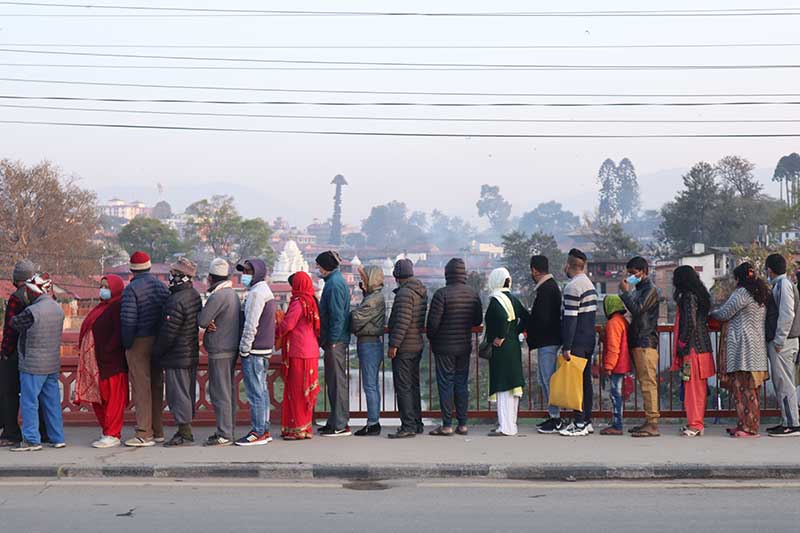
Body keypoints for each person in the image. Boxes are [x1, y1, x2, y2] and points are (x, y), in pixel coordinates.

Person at [710, 262, 770, 438]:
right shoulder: (761, 293)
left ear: (739, 278)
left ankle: (749, 428)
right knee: (750, 391)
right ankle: (745, 425)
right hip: (756, 348)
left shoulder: (742, 293)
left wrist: (710, 314)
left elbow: (724, 313)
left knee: (743, 390)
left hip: (743, 350)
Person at [426, 258, 482, 436]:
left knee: (445, 384)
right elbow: (477, 320)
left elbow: (432, 325)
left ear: (447, 274)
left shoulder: (441, 294)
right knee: (461, 384)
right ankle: (463, 424)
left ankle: (447, 424)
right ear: (463, 274)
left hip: (443, 347)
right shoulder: (472, 294)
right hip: (463, 346)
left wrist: (433, 337)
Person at [10, 273, 65, 452]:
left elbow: (14, 323)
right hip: (52, 363)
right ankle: (57, 437)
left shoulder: (33, 311)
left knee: (29, 402)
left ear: (33, 291)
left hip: (33, 364)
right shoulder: (58, 309)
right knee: (52, 402)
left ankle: (32, 440)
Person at [121, 251, 170, 447]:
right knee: (157, 385)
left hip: (139, 340)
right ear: (149, 267)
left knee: (141, 387)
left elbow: (127, 320)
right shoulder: (161, 287)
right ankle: (158, 430)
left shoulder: (131, 289)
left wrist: (126, 343)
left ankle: (144, 432)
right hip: (158, 340)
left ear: (131, 268)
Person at [153, 258, 202, 447]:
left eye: (173, 275)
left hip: (176, 354)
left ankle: (184, 432)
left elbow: (168, 332)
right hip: (190, 351)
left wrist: (157, 351)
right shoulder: (194, 295)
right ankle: (185, 429)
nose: (170, 278)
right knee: (187, 392)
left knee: (178, 394)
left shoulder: (176, 300)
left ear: (181, 277)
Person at [76, 275, 129, 448]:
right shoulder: (101, 307)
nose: (103, 289)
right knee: (98, 398)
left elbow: (120, 332)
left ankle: (113, 433)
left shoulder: (118, 306)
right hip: (96, 363)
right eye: (101, 286)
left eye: (107, 286)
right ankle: (107, 430)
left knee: (113, 398)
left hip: (111, 362)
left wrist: (108, 349)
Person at [0, 259, 47, 448]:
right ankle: (44, 432)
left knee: (10, 393)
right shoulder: (41, 295)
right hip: (37, 352)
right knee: (38, 394)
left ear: (16, 277)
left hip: (16, 353)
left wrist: (5, 352)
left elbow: (11, 330)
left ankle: (11, 433)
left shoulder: (17, 298)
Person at [198, 258, 241, 447]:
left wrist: (209, 322)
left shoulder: (218, 296)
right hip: (231, 347)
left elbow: (202, 320)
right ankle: (228, 430)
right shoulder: (232, 294)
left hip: (220, 348)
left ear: (210, 277)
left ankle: (224, 433)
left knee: (220, 392)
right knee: (228, 391)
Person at [619, 256, 662, 438]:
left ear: (643, 272)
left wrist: (625, 293)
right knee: (644, 383)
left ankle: (652, 422)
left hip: (646, 341)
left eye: (633, 273)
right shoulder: (639, 289)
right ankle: (648, 420)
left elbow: (638, 310)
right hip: (638, 340)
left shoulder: (650, 290)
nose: (630, 276)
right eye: (628, 273)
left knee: (648, 383)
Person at [235, 258, 277, 446]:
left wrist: (244, 348)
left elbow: (251, 324)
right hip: (264, 348)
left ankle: (258, 430)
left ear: (257, 273)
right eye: (243, 271)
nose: (244, 275)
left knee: (255, 392)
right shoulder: (264, 291)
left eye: (247, 272)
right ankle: (264, 428)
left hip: (254, 349)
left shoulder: (256, 294)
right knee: (262, 391)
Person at [670, 266, 715, 438]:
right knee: (699, 389)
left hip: (692, 350)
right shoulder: (699, 295)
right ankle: (697, 423)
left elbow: (690, 323)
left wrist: (681, 344)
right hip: (702, 348)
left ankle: (695, 424)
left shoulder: (687, 297)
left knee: (692, 389)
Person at [276, 271, 321, 440]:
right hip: (311, 351)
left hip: (298, 351)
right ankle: (305, 428)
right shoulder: (311, 301)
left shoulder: (297, 302)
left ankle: (297, 429)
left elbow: (288, 325)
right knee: (306, 391)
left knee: (297, 391)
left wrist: (276, 325)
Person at [386, 259, 428, 439]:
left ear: (397, 276)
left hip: (404, 346)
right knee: (413, 386)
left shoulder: (404, 294)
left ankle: (408, 425)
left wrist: (394, 345)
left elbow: (402, 322)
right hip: (416, 344)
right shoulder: (420, 292)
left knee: (403, 387)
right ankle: (417, 423)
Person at [559, 249, 598, 437]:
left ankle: (579, 422)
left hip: (577, 341)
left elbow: (570, 319)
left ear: (570, 266)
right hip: (589, 338)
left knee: (577, 384)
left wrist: (566, 346)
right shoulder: (589, 284)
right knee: (585, 382)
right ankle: (587, 420)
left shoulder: (572, 287)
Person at [485, 268, 527, 437]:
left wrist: (501, 336)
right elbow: (526, 316)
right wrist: (516, 331)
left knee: (502, 386)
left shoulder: (496, 300)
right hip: (513, 346)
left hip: (501, 349)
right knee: (512, 385)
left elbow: (502, 318)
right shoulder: (512, 299)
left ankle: (505, 427)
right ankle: (511, 425)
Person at [526, 255, 564, 435]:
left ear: (534, 270)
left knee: (548, 380)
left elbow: (542, 318)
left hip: (547, 341)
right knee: (545, 379)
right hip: (549, 340)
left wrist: (528, 324)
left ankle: (556, 418)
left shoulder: (546, 289)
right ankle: (553, 415)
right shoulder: (551, 287)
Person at [315, 250, 352, 437]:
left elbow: (337, 316)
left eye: (319, 266)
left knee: (337, 381)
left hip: (336, 340)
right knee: (333, 381)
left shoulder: (335, 285)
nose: (317, 269)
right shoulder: (333, 282)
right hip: (334, 339)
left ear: (326, 267)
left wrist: (334, 340)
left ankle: (340, 424)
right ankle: (334, 420)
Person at [764, 254, 800, 437]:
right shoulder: (781, 284)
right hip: (784, 342)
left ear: (769, 269)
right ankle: (787, 420)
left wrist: (778, 340)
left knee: (784, 383)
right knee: (782, 383)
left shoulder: (783, 285)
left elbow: (787, 314)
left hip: (783, 343)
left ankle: (793, 424)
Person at [350, 265, 386, 437]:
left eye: (364, 279)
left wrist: (351, 315)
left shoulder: (373, 299)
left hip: (369, 343)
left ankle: (373, 423)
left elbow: (357, 319)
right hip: (370, 343)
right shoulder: (373, 297)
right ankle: (373, 421)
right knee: (372, 385)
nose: (362, 282)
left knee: (370, 385)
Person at [600, 295, 631, 436]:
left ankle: (617, 425)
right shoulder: (622, 321)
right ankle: (617, 423)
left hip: (616, 365)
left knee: (615, 395)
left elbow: (613, 347)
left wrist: (608, 366)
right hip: (622, 363)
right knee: (617, 395)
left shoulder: (613, 323)